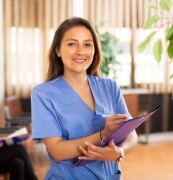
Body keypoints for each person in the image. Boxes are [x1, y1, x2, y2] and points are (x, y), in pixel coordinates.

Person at [31, 17, 138, 180]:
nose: (81, 51)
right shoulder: (43, 94)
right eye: (72, 44)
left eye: (87, 44)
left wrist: (119, 152)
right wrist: (103, 135)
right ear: (57, 50)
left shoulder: (110, 87)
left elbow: (131, 133)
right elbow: (57, 151)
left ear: (95, 49)